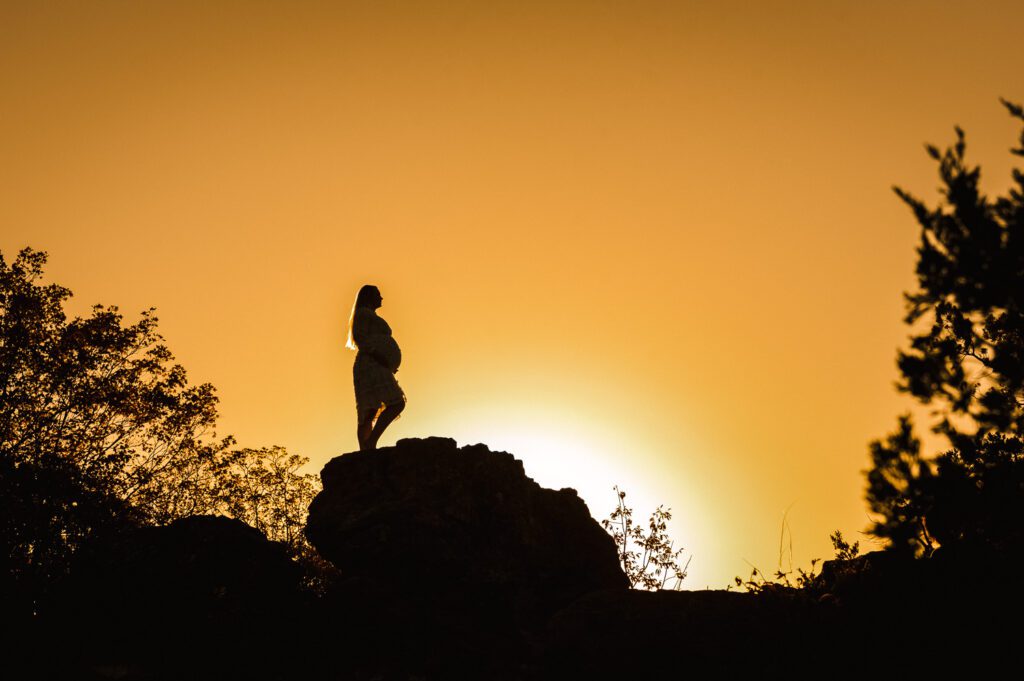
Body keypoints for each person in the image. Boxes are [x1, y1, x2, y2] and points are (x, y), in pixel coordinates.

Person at [346, 284, 406, 450]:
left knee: (371, 409)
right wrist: (379, 356)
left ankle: (367, 446)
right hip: (371, 363)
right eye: (378, 294)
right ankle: (369, 443)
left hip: (377, 364)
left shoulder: (369, 315)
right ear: (369, 297)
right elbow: (360, 338)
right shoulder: (363, 314)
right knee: (394, 403)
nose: (381, 298)